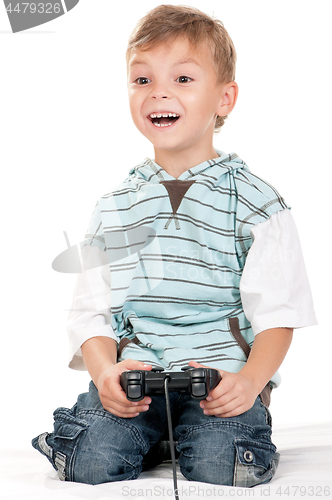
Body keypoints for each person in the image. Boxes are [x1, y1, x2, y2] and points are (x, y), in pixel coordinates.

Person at [32, 4, 317, 488]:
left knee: (221, 466)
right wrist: (105, 376)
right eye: (142, 80)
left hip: (220, 380)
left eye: (183, 79)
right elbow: (90, 315)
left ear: (224, 98)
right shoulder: (113, 207)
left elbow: (279, 315)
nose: (158, 92)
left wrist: (248, 383)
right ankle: (148, 430)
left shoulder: (258, 203)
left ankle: (198, 430)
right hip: (138, 379)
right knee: (91, 462)